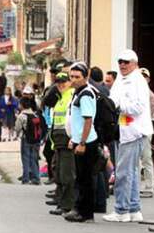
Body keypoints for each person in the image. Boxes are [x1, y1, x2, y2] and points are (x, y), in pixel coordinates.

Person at [104, 49, 152, 223]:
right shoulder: (122, 80)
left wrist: (118, 105)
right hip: (125, 129)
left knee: (124, 172)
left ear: (135, 63)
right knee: (129, 171)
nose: (122, 65)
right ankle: (133, 208)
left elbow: (137, 107)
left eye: (126, 62)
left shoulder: (137, 81)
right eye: (120, 62)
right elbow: (112, 99)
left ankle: (122, 209)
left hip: (134, 131)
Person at [64, 62, 100, 223]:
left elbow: (87, 120)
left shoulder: (86, 94)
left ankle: (85, 212)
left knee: (85, 179)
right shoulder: (78, 93)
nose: (74, 79)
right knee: (80, 177)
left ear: (86, 77)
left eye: (77, 77)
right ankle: (80, 209)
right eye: (71, 76)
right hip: (79, 140)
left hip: (87, 142)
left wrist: (82, 143)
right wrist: (74, 139)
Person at [47, 69, 76, 215]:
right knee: (58, 172)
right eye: (58, 82)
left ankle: (67, 205)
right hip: (58, 140)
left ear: (70, 82)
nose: (60, 85)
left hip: (67, 139)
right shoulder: (60, 97)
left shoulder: (71, 96)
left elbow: (73, 120)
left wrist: (73, 138)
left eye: (63, 82)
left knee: (66, 174)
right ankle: (61, 202)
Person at [138, 67, 154, 199]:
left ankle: (149, 186)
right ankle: (137, 185)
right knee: (135, 160)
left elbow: (148, 115)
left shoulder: (150, 96)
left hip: (144, 130)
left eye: (144, 77)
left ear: (148, 79)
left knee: (146, 158)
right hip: (134, 130)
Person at [16, 96, 43, 185]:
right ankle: (36, 178)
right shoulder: (35, 115)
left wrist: (17, 135)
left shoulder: (21, 116)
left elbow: (17, 128)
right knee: (34, 159)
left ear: (22, 105)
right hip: (36, 140)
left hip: (26, 139)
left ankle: (26, 178)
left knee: (26, 159)